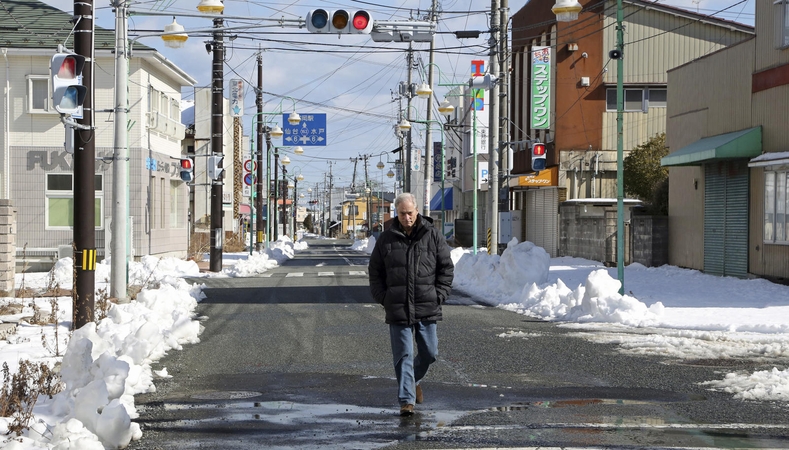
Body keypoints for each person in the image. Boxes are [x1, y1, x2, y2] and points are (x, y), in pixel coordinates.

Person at [368, 192, 454, 416]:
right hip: (397, 306)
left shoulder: (433, 236)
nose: (406, 217)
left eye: (410, 213)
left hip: (427, 304)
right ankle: (407, 400)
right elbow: (375, 271)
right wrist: (383, 297)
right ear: (396, 213)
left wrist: (439, 295)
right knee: (403, 355)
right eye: (402, 213)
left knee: (430, 353)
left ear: (417, 211)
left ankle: (413, 381)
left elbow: (446, 268)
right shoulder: (386, 239)